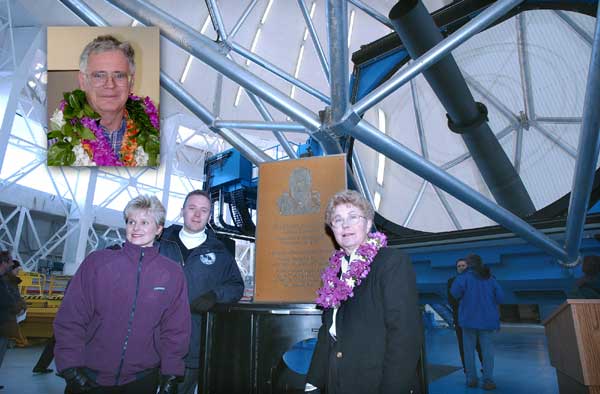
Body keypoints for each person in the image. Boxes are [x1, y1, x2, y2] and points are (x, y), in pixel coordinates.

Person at [54, 195, 191, 394]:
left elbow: (176, 328)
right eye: (131, 222)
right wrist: (70, 368)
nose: (136, 228)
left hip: (142, 379)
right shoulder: (98, 263)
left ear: (159, 229)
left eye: (145, 222)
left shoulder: (172, 273)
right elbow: (71, 317)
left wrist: (171, 374)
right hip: (90, 377)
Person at [305, 189, 423, 393]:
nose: (345, 225)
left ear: (368, 224)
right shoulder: (335, 270)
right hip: (337, 378)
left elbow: (405, 336)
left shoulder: (391, 262)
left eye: (353, 217)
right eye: (337, 220)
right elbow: (329, 331)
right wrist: (313, 381)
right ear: (332, 228)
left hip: (375, 380)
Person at [158, 189, 244, 394]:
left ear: (209, 216)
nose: (197, 215)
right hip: (152, 342)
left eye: (204, 210)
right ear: (182, 211)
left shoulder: (220, 251)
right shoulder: (160, 243)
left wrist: (215, 295)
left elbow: (236, 286)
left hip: (193, 346)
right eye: (192, 208)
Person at [48, 34, 159, 166]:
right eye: (99, 76)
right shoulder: (54, 146)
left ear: (131, 82)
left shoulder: (157, 140)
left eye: (119, 75)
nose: (110, 84)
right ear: (83, 81)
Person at [451, 253, 505, 391]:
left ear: (468, 264)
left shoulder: (463, 278)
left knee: (468, 351)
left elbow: (455, 293)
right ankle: (488, 380)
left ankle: (471, 379)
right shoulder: (491, 278)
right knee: (488, 352)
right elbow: (500, 297)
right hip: (487, 321)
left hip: (468, 321)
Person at [447, 257, 482, 373]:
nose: (461, 267)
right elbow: (452, 300)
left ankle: (485, 367)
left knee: (479, 345)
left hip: (475, 318)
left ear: (468, 267)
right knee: (463, 346)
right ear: (456, 269)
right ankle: (468, 370)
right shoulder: (451, 281)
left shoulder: (476, 280)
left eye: (463, 265)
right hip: (460, 319)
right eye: (459, 266)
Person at [0, 250, 19, 391]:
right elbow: (7, 299)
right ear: (4, 262)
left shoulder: (3, 280)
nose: (12, 264)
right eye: (10, 261)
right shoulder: (4, 281)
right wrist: (15, 304)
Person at [2, 260, 28, 348]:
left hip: (8, 319)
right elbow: (9, 300)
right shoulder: (8, 282)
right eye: (17, 270)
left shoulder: (11, 281)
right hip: (6, 320)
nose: (18, 272)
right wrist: (21, 308)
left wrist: (22, 306)